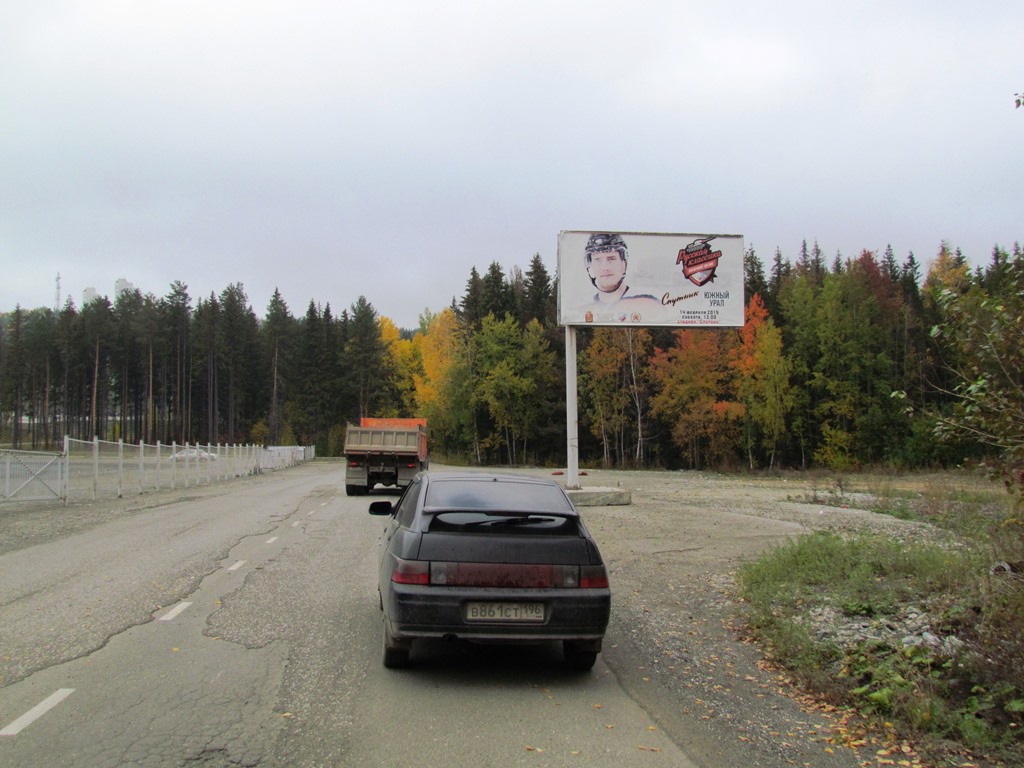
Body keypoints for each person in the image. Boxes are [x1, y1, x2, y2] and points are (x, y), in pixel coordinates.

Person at [582, 233, 658, 319]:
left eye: (611, 259)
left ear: (624, 263)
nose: (605, 267)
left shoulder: (647, 304)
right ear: (590, 265)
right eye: (598, 260)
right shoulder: (584, 309)